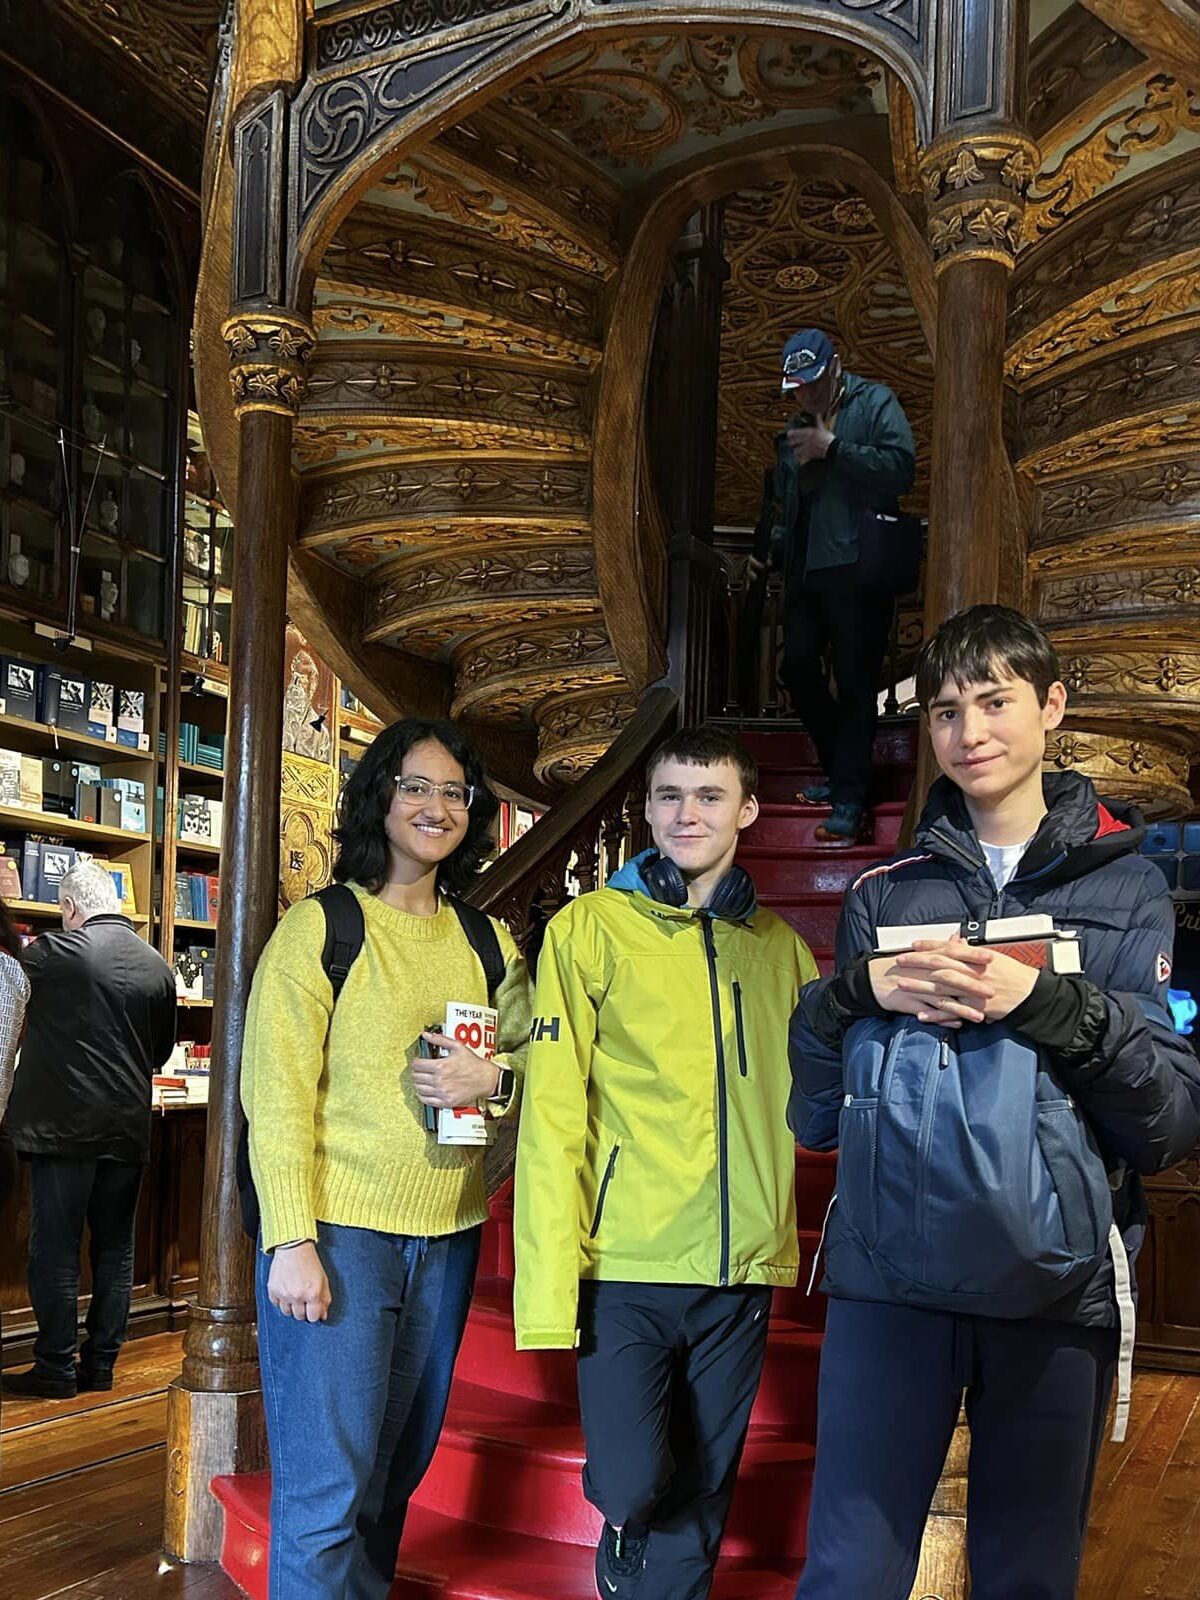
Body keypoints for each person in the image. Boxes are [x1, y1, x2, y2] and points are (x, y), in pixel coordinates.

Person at [788, 605, 1200, 1599]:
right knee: (848, 1571)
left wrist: (1051, 1003)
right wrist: (850, 994)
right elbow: (814, 1112)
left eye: (995, 701)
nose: (968, 732)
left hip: (1053, 1289)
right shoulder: (886, 894)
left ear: (1052, 705)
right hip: (888, 1280)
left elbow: (1167, 1124)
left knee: (1027, 1573)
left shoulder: (1130, 886)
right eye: (943, 712)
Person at [514, 726, 819, 1600]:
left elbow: (817, 1096)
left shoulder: (784, 952)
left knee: (705, 1488)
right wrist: (548, 1285)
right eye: (670, 796)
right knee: (636, 1481)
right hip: (626, 1260)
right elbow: (553, 1114)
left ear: (749, 810)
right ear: (646, 809)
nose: (688, 814)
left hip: (741, 1264)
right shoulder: (587, 930)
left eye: (711, 795)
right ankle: (621, 1523)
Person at [241, 718, 531, 1599]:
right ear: (379, 798)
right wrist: (290, 1238)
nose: (436, 807)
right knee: (325, 1497)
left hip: (446, 1238)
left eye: (455, 792)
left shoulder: (489, 944)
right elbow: (276, 1094)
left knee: (390, 1484)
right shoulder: (322, 928)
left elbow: (537, 1069)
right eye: (416, 786)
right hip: (339, 1238)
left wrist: (499, 1078)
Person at [2, 859, 176, 1399]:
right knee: (115, 1249)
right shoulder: (158, 967)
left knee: (55, 1249)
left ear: (72, 908)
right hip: (127, 1128)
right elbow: (162, 1050)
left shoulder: (52, 954)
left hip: (63, 1128)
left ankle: (55, 1367)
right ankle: (100, 1365)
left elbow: (10, 997)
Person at [754, 327, 915, 842]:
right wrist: (768, 555)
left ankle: (849, 797)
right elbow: (784, 507)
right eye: (796, 387)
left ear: (836, 368)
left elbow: (901, 470)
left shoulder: (875, 403)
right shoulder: (793, 429)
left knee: (855, 683)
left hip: (860, 569)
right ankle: (840, 769)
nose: (805, 395)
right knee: (796, 669)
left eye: (812, 383)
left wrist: (835, 449)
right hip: (806, 575)